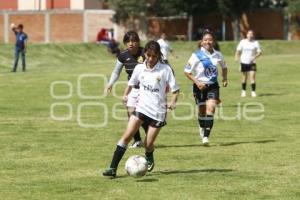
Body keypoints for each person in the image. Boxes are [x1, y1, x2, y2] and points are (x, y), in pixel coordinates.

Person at [102, 40, 180, 177]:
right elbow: (131, 83)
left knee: (148, 143)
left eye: (154, 56)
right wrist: (125, 95)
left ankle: (149, 155)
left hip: (158, 112)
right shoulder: (139, 68)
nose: (150, 59)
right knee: (127, 136)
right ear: (145, 54)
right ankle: (112, 168)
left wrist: (173, 102)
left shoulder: (165, 70)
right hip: (141, 108)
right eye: (148, 55)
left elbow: (176, 90)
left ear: (158, 56)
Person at [184, 29, 228, 146]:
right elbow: (187, 72)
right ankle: (202, 127)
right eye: (205, 40)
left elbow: (224, 67)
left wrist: (224, 78)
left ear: (213, 41)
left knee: (211, 108)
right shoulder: (196, 55)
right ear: (202, 42)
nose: (208, 41)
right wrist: (197, 82)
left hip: (213, 86)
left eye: (210, 39)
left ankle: (205, 137)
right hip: (199, 87)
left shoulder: (218, 54)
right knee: (202, 111)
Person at [106, 31, 145, 148]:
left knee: (144, 114)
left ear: (138, 42)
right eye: (128, 41)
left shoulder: (146, 52)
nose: (131, 43)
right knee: (131, 112)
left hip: (148, 88)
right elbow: (116, 71)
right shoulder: (123, 56)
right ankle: (137, 140)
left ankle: (149, 137)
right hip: (133, 88)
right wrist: (110, 83)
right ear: (125, 43)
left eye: (134, 41)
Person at [235, 30, 262, 97]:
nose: (250, 35)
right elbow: (238, 50)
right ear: (246, 35)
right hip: (243, 62)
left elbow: (259, 52)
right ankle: (243, 91)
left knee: (252, 77)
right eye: (249, 34)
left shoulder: (255, 42)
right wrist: (236, 57)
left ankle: (253, 92)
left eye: (251, 34)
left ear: (253, 35)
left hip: (252, 63)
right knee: (244, 77)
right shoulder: (242, 42)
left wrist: (254, 57)